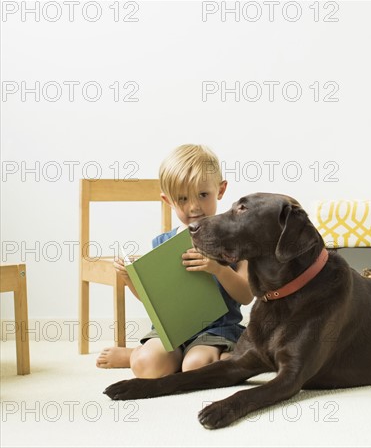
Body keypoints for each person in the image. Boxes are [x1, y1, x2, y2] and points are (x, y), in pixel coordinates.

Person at [96, 144, 254, 378]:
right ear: (167, 200)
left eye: (203, 195)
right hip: (172, 331)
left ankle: (218, 356)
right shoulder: (163, 243)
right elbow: (154, 301)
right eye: (182, 198)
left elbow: (246, 295)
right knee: (146, 366)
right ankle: (134, 354)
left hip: (217, 330)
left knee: (196, 367)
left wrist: (219, 270)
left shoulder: (236, 240)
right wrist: (131, 280)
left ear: (221, 190)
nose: (194, 207)